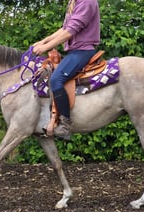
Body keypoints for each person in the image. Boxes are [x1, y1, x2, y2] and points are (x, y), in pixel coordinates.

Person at [33, 0, 100, 140]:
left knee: (56, 79)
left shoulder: (87, 1)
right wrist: (44, 41)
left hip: (82, 51)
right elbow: (64, 29)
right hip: (74, 52)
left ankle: (65, 125)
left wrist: (46, 48)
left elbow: (71, 31)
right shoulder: (73, 2)